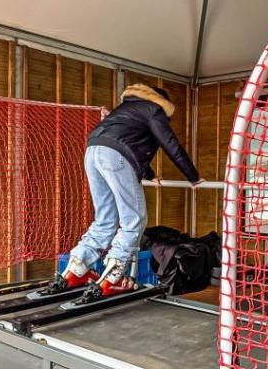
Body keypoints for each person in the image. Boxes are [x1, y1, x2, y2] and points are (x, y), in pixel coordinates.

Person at [50, 83, 202, 298]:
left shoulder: (124, 110)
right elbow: (169, 143)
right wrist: (193, 177)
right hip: (115, 157)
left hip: (93, 152)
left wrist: (150, 175)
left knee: (105, 219)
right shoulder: (153, 109)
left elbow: (127, 142)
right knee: (134, 220)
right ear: (160, 100)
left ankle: (76, 268)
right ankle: (113, 276)